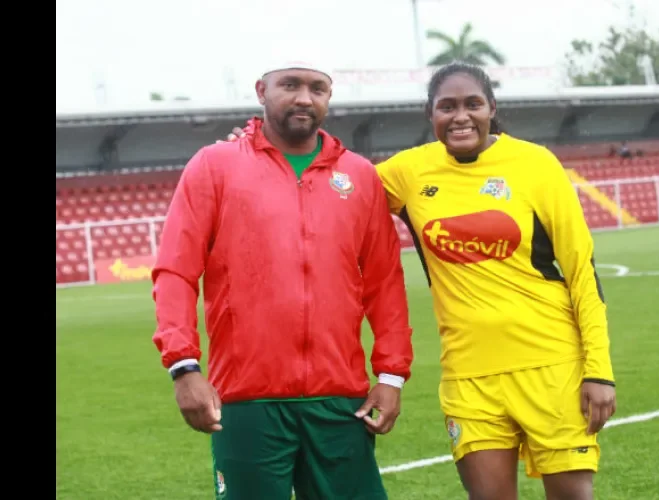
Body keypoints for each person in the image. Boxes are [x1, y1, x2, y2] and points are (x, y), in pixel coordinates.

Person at [225, 61, 617, 500]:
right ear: (430, 115)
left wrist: (599, 372)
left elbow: (583, 272)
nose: (461, 116)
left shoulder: (536, 165)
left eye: (473, 104)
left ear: (492, 108)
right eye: (447, 107)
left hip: (553, 366)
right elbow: (332, 181)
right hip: (469, 377)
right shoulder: (409, 172)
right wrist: (255, 151)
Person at [151, 59, 414, 500]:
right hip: (247, 400)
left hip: (340, 400)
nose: (304, 98)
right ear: (261, 90)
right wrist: (183, 366)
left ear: (329, 96)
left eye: (317, 88)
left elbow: (385, 282)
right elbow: (176, 270)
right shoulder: (214, 166)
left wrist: (390, 375)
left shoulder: (360, 176)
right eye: (289, 85)